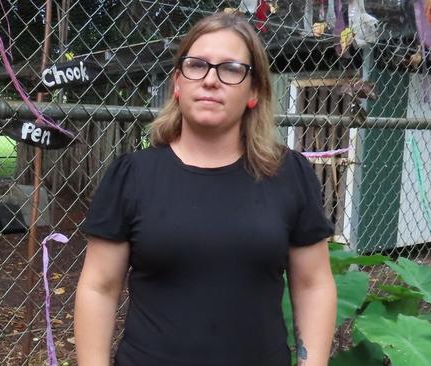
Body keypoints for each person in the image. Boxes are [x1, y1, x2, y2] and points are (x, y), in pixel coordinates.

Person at [75, 12, 336, 366]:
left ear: (254, 91)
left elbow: (313, 284)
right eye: (197, 65)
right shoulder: (132, 176)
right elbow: (98, 288)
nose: (211, 80)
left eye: (230, 69)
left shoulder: (289, 174)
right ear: (178, 83)